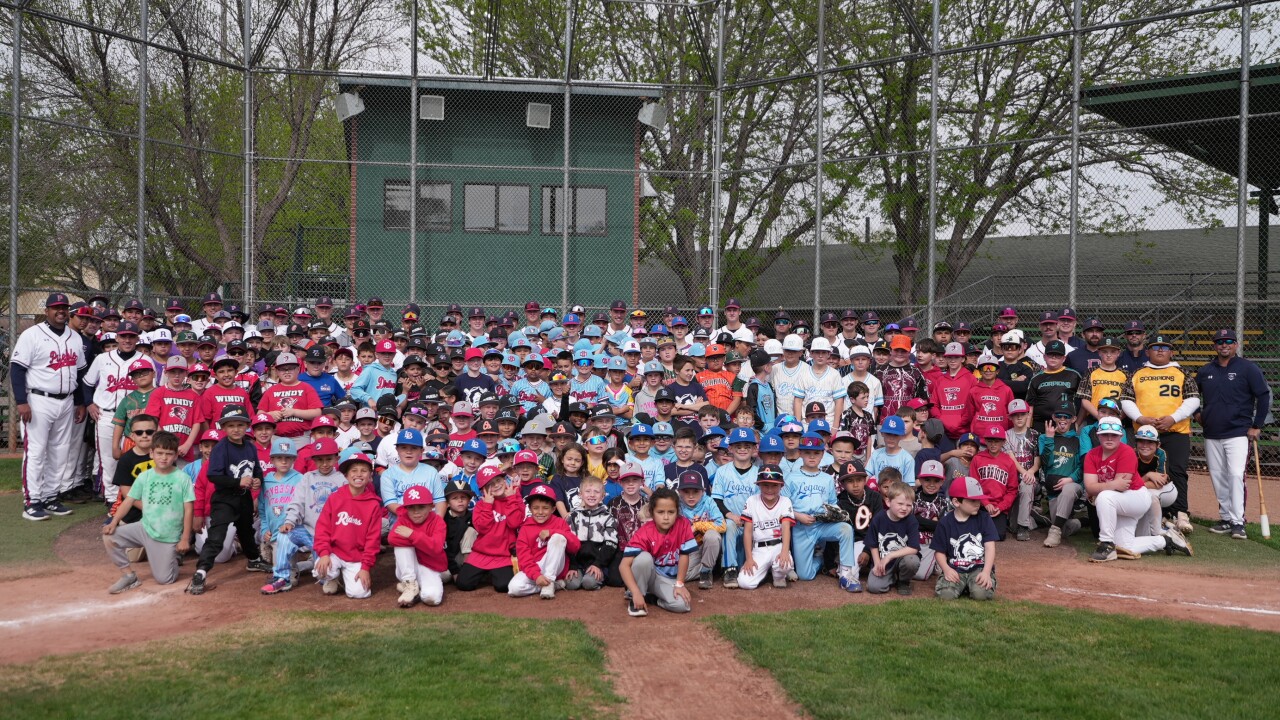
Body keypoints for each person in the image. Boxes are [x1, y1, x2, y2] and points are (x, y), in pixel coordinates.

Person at [12, 293, 87, 521]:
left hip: (66, 401)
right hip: (38, 400)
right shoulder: (31, 335)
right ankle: (32, 501)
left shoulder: (74, 337)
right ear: (47, 311)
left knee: (60, 450)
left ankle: (50, 496)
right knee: (36, 452)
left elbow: (81, 371)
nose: (60, 311)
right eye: (56, 307)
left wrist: (80, 401)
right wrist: (21, 402)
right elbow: (17, 369)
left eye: (64, 307)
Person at [1120, 333, 1200, 534]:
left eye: (1165, 347)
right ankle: (1160, 513)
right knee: (1145, 472)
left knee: (1177, 470)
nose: (1160, 350)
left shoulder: (1182, 372)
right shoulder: (1138, 372)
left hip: (1175, 430)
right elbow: (1126, 399)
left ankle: (1180, 513)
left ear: (1171, 352)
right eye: (1156, 347)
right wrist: (1140, 418)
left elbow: (1193, 399)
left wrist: (1173, 417)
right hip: (1145, 434)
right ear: (1148, 351)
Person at [1195, 328, 1271, 539]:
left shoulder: (1248, 368)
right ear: (1215, 345)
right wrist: (1196, 413)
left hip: (1238, 432)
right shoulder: (1205, 370)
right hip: (1212, 432)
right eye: (1220, 341)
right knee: (1218, 477)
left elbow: (1263, 396)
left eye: (1228, 341)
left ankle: (1238, 521)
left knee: (1236, 475)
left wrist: (1257, 425)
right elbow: (1191, 394)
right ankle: (1226, 518)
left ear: (1236, 344)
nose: (1224, 345)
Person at [186, 405, 268, 596]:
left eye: (240, 424)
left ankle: (253, 559)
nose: (236, 429)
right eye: (230, 425)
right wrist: (238, 481)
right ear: (224, 428)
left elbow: (256, 470)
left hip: (244, 497)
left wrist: (257, 480)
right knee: (216, 536)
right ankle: (201, 571)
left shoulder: (249, 446)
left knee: (246, 530)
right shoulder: (221, 448)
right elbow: (214, 476)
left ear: (247, 426)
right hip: (224, 499)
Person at [1085, 418, 1191, 563]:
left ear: (1120, 435)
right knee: (1124, 546)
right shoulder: (1091, 455)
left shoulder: (1127, 452)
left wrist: (1100, 488)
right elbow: (1089, 487)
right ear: (1098, 435)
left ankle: (1106, 544)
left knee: (1104, 496)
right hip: (1119, 501)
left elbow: (1121, 486)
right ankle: (1166, 540)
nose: (1109, 438)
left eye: (1114, 435)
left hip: (1136, 498)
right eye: (1105, 434)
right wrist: (1108, 485)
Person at [101, 430, 193, 592]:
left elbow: (188, 509)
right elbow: (128, 501)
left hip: (168, 535)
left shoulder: (182, 478)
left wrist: (185, 538)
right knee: (110, 536)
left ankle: (174, 556)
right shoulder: (145, 477)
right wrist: (114, 522)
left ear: (175, 456)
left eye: (168, 454)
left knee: (165, 580)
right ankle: (129, 576)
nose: (164, 457)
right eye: (159, 453)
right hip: (144, 528)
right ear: (151, 454)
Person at [262, 437, 345, 596]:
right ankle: (282, 578)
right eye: (319, 460)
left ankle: (312, 567)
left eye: (329, 459)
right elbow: (297, 503)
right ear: (313, 460)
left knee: (323, 578)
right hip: (308, 531)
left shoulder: (342, 480)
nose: (325, 463)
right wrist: (289, 522)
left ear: (337, 458)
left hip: (329, 537)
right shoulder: (307, 477)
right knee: (285, 534)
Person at [784, 433, 860, 589]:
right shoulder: (791, 477)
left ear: (823, 454)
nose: (812, 457)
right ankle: (820, 559)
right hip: (801, 526)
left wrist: (836, 513)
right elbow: (783, 506)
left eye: (816, 453)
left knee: (846, 528)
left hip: (822, 524)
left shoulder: (826, 478)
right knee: (805, 576)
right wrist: (798, 516)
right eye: (807, 452)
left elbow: (832, 502)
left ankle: (845, 573)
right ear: (800, 453)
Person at [312, 451, 386, 598]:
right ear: (346, 475)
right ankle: (332, 577)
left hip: (356, 557)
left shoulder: (373, 504)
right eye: (354, 470)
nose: (358, 474)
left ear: (370, 476)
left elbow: (373, 540)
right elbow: (322, 529)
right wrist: (324, 553)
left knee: (360, 593)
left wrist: (365, 567)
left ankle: (346, 576)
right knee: (320, 569)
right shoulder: (335, 498)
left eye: (364, 471)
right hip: (335, 552)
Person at [619, 487, 697, 615]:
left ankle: (652, 598)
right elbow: (623, 565)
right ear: (652, 512)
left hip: (668, 579)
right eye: (660, 512)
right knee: (643, 558)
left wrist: (679, 584)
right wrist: (636, 592)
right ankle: (635, 597)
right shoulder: (645, 531)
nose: (666, 517)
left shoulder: (683, 524)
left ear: (677, 512)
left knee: (682, 606)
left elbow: (684, 555)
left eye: (671, 512)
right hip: (650, 576)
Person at [455, 466, 523, 592]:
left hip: (502, 555)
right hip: (481, 553)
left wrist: (511, 499)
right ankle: (487, 573)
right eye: (490, 485)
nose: (496, 485)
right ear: (483, 490)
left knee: (503, 586)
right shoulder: (481, 505)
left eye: (498, 481)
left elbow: (515, 523)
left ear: (504, 481)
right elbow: (482, 529)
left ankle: (490, 574)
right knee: (463, 584)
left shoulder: (514, 498)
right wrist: (487, 505)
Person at [508, 484, 581, 599]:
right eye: (536, 508)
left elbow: (575, 546)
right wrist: (536, 576)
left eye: (545, 508)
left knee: (558, 537)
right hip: (536, 567)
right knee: (514, 588)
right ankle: (553, 585)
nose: (540, 512)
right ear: (530, 509)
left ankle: (549, 581)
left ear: (553, 509)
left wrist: (552, 532)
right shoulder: (525, 528)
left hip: (556, 567)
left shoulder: (559, 523)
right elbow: (524, 557)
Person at [931, 476, 998, 600]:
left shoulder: (984, 518)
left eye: (979, 500)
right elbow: (939, 552)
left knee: (980, 594)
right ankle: (963, 586)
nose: (977, 504)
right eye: (972, 501)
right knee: (946, 595)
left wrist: (986, 572)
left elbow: (990, 547)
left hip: (978, 568)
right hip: (955, 569)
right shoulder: (945, 522)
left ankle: (972, 586)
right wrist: (946, 569)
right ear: (956, 502)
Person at [1036, 406, 1089, 548]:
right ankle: (1079, 522)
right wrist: (1049, 439)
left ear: (1074, 419)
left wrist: (1071, 479)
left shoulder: (1078, 440)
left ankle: (1054, 531)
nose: (1063, 419)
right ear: (1053, 417)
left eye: (1067, 416)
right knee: (1064, 529)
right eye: (1059, 416)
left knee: (1068, 489)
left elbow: (1082, 465)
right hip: (1053, 489)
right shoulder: (1044, 437)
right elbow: (1046, 464)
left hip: (1073, 484)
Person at [737, 465, 796, 590]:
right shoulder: (752, 501)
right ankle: (765, 571)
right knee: (744, 583)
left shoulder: (785, 501)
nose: (770, 489)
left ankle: (778, 576)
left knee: (785, 565)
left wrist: (785, 551)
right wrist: (749, 558)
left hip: (778, 546)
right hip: (759, 549)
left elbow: (786, 528)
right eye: (765, 485)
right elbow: (747, 532)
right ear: (759, 485)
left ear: (781, 485)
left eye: (774, 485)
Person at [389, 485, 449, 607]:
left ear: (431, 507)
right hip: (408, 569)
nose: (416, 511)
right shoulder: (403, 519)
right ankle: (410, 584)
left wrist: (412, 535)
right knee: (401, 546)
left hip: (430, 565)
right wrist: (424, 542)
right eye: (411, 507)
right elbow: (392, 539)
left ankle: (416, 591)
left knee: (431, 598)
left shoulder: (438, 521)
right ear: (406, 508)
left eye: (421, 507)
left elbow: (436, 547)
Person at [256, 438, 302, 594]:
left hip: (292, 531)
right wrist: (264, 528)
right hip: (274, 529)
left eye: (288, 457)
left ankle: (295, 570)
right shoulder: (266, 480)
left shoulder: (300, 479)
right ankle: (293, 569)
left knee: (291, 577)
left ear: (294, 459)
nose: (284, 461)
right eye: (279, 458)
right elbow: (262, 508)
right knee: (279, 568)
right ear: (272, 460)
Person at [865, 481, 921, 595]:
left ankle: (903, 580)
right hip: (883, 562)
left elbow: (913, 548)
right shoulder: (879, 518)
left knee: (912, 561)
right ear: (888, 502)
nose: (904, 508)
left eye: (909, 505)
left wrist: (890, 556)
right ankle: (892, 578)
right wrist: (877, 564)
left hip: (902, 560)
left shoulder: (911, 520)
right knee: (874, 587)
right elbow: (873, 544)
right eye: (900, 504)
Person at [566, 475, 618, 591]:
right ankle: (580, 572)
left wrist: (598, 564)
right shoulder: (573, 517)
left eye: (596, 492)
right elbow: (569, 543)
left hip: (597, 562)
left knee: (588, 583)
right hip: (578, 563)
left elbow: (611, 544)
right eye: (588, 491)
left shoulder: (608, 517)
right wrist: (572, 566)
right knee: (571, 584)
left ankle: (600, 575)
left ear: (603, 496)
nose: (592, 495)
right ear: (580, 494)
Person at [677, 471, 725, 589]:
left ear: (703, 491)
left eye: (695, 491)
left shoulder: (708, 501)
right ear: (679, 492)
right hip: (689, 548)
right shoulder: (676, 504)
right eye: (686, 492)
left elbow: (722, 525)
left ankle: (706, 571)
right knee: (684, 574)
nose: (691, 496)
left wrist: (697, 526)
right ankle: (711, 566)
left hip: (707, 545)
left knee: (712, 535)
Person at [969, 425, 1019, 540]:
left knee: (999, 536)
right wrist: (985, 503)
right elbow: (974, 484)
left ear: (1003, 442)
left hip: (998, 507)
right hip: (980, 505)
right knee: (974, 533)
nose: (993, 444)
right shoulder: (978, 459)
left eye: (997, 441)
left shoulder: (1009, 462)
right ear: (985, 441)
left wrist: (1001, 507)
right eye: (990, 441)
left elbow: (1012, 490)